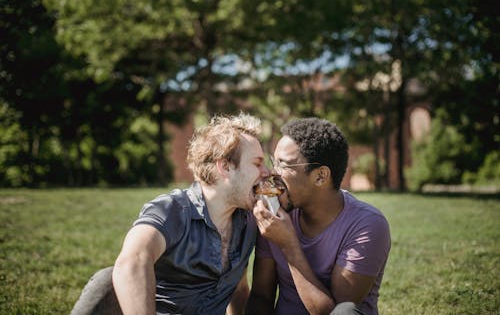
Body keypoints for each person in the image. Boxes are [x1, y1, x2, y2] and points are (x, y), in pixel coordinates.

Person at [71, 113, 269, 315]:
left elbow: (239, 290)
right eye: (257, 163)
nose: (266, 172)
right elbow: (134, 261)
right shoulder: (171, 209)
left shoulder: (248, 223)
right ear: (225, 167)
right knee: (106, 279)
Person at [246, 118, 391, 315]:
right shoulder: (274, 216)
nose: (273, 173)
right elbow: (261, 296)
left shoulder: (367, 225)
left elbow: (335, 311)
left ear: (321, 176)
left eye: (284, 165)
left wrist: (288, 245)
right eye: (274, 162)